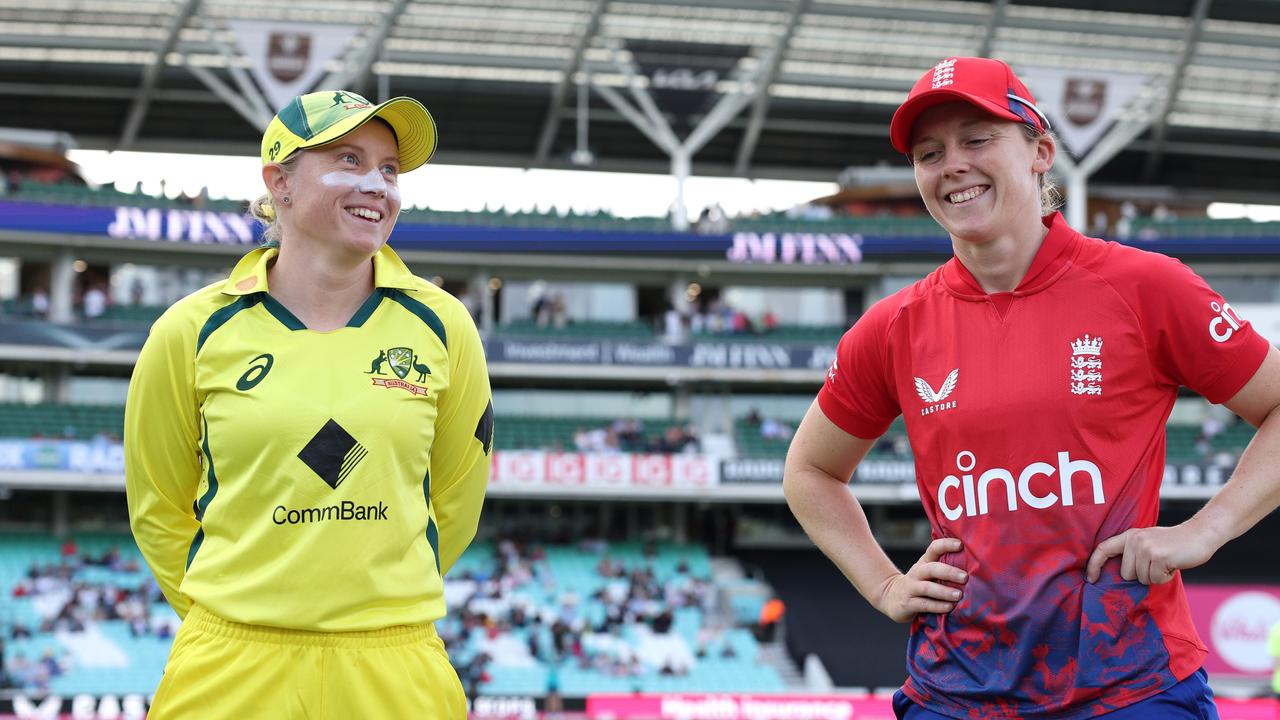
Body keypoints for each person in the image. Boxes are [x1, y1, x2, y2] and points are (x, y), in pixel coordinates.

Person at [783, 56, 1280, 720]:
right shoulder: (893, 328)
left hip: (1131, 688)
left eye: (976, 138)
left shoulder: (1144, 287)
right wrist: (883, 584)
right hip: (954, 692)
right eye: (929, 152)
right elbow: (811, 471)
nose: (951, 163)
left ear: (1041, 150)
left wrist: (1207, 529)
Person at [125, 89, 494, 719]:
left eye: (389, 170)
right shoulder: (190, 330)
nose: (377, 185)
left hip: (395, 662)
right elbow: (158, 505)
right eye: (349, 160)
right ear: (280, 182)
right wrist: (245, 614)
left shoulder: (444, 325)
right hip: (231, 664)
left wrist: (368, 607)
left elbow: (456, 498)